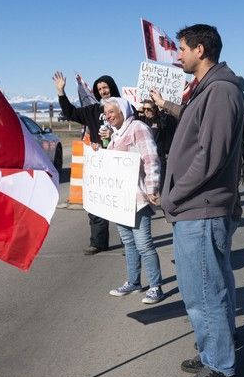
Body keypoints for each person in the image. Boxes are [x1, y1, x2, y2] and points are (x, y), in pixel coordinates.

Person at [160, 24, 244, 377]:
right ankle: (217, 347)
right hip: (201, 207)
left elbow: (209, 156)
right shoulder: (209, 90)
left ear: (200, 50)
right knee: (213, 285)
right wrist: (168, 107)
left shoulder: (221, 90)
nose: (177, 55)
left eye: (181, 49)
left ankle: (220, 367)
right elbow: (200, 129)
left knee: (203, 292)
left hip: (201, 208)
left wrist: (174, 195)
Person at [99, 97, 164, 304]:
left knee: (143, 244)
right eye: (106, 113)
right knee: (128, 243)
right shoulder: (116, 134)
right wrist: (102, 146)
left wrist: (153, 187)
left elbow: (151, 158)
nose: (107, 116)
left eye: (111, 111)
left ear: (123, 111)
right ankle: (133, 282)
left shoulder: (137, 127)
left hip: (138, 197)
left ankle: (156, 286)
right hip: (121, 199)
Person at [53, 71, 120, 255]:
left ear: (112, 87)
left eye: (105, 87)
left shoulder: (125, 107)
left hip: (120, 164)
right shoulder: (93, 110)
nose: (103, 91)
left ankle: (129, 243)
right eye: (99, 89)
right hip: (99, 163)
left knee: (121, 205)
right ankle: (98, 242)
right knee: (97, 203)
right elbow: (70, 112)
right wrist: (61, 92)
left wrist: (114, 135)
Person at [138, 96, 178, 180]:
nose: (146, 111)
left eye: (149, 109)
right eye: (144, 109)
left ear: (155, 109)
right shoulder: (142, 120)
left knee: (159, 187)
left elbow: (165, 123)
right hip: (144, 159)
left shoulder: (161, 121)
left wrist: (161, 110)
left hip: (159, 158)